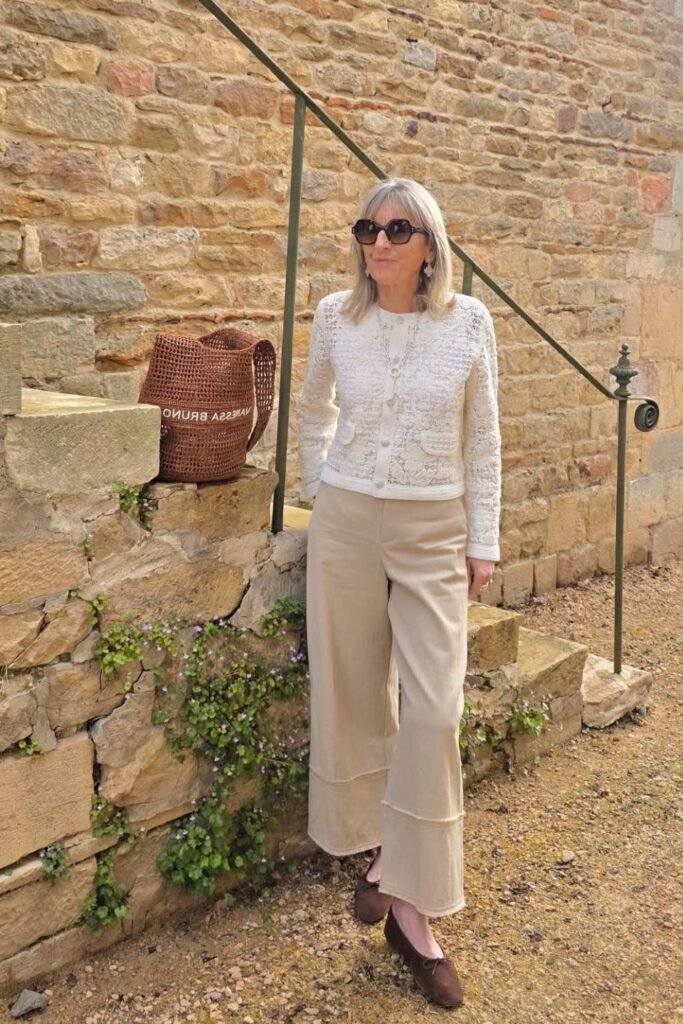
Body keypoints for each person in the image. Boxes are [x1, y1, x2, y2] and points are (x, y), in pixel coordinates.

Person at [296, 177, 501, 1009]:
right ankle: (388, 864)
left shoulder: (469, 324)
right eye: (368, 228)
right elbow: (311, 409)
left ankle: (414, 913)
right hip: (345, 521)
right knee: (350, 693)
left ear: (429, 246)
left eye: (398, 229)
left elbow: (482, 438)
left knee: (433, 711)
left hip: (431, 530)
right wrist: (321, 484)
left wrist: (481, 539)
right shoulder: (332, 316)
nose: (378, 242)